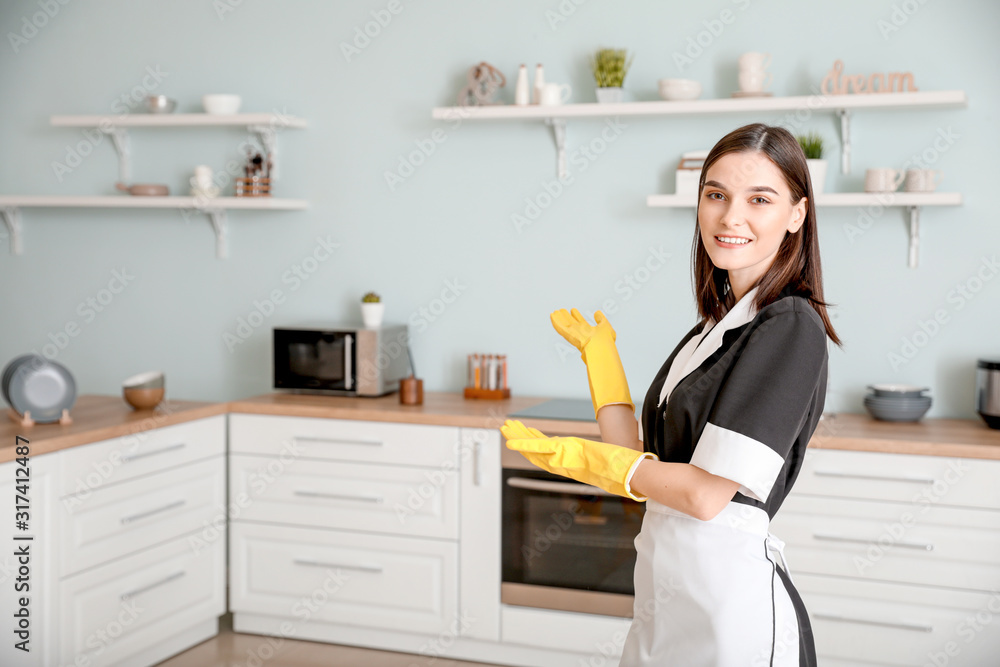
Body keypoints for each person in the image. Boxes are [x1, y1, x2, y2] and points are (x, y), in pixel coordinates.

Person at [501, 122, 842, 667]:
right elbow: (639, 464)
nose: (731, 217)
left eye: (760, 199)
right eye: (716, 195)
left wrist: (589, 463)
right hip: (665, 592)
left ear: (797, 215)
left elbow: (706, 496)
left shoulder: (790, 324)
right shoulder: (712, 328)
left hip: (733, 613)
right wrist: (603, 367)